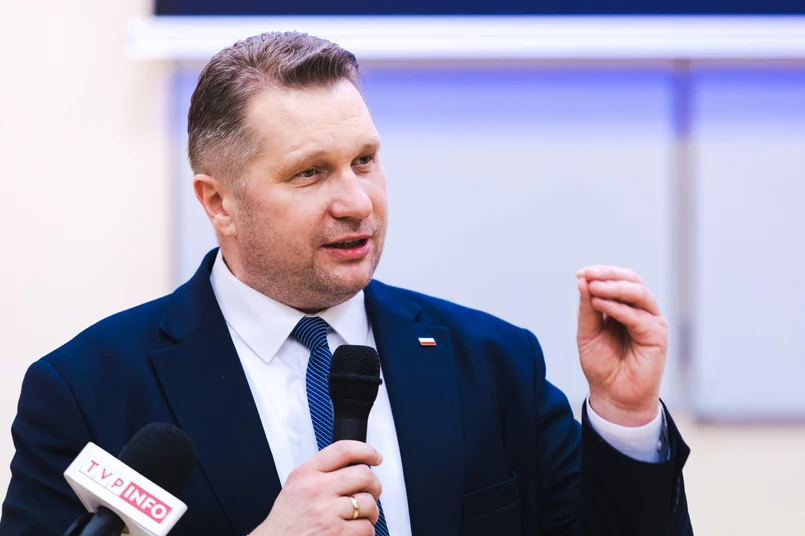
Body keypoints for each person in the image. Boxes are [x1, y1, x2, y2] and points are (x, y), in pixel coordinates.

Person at [0, 32, 692, 536]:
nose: (357, 202)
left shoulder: (492, 363)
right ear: (218, 203)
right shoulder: (88, 391)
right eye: (310, 173)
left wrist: (624, 419)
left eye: (364, 161)